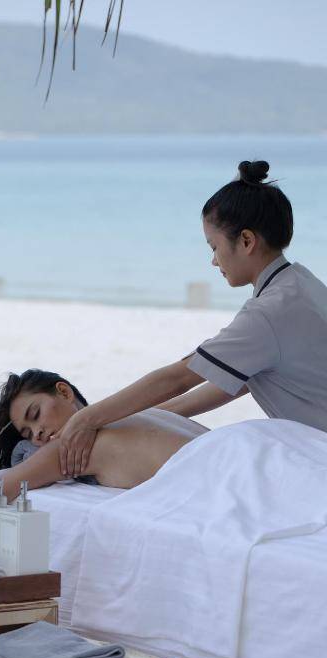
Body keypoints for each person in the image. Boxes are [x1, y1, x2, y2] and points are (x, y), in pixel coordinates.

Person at [56, 160, 327, 477]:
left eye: (214, 247)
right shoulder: (302, 283)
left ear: (246, 241)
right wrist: (139, 419)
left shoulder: (266, 314)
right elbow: (233, 383)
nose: (213, 261)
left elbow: (177, 379)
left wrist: (85, 419)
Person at [0, 369, 208, 503]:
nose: (37, 433)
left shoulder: (71, 447)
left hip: (216, 473)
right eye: (28, 434)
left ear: (64, 392)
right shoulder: (138, 413)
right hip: (220, 450)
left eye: (35, 414)